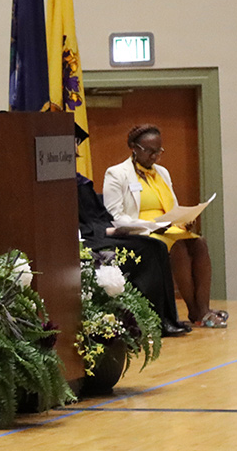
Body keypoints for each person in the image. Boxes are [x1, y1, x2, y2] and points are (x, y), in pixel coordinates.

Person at [103, 124, 225, 328]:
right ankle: (196, 310)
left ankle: (202, 307)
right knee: (177, 247)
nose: (154, 156)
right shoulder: (117, 174)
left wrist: (185, 218)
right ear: (134, 147)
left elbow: (173, 207)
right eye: (149, 151)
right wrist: (151, 225)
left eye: (158, 151)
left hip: (169, 227)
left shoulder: (162, 173)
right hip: (140, 231)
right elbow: (115, 216)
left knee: (199, 243)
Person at [74, 126, 188, 337]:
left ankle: (165, 319)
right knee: (148, 250)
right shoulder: (54, 185)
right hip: (82, 239)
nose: (75, 148)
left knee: (156, 246)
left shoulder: (79, 181)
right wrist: (108, 230)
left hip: (100, 233)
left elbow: (98, 216)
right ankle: (148, 323)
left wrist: (109, 229)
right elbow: (79, 222)